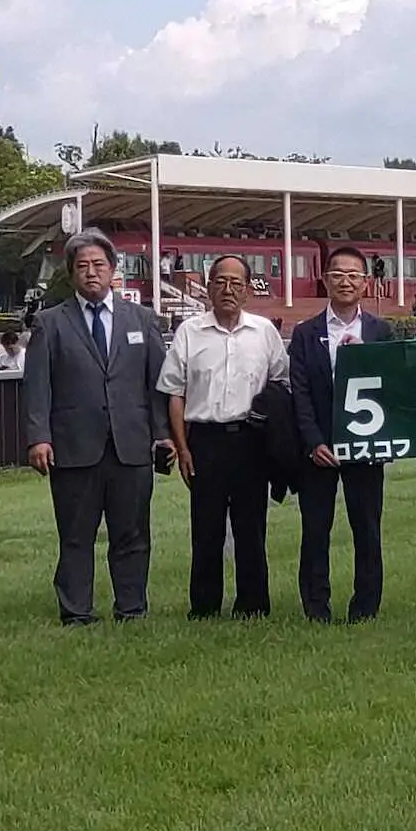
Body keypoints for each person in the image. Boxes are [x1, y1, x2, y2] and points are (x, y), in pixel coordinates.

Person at [21, 228, 171, 626]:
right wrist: (39, 437)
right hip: (74, 445)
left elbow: (158, 383)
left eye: (99, 265)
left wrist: (162, 433)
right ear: (71, 273)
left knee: (133, 534)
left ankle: (132, 608)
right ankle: (76, 611)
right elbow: (37, 385)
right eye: (82, 266)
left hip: (132, 445)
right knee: (75, 535)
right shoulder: (49, 323)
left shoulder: (141, 319)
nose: (91, 273)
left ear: (113, 270)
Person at [156, 254, 290, 620]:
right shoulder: (189, 332)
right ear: (208, 287)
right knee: (206, 527)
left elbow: (280, 384)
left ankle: (253, 605)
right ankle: (204, 606)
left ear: (248, 290)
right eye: (220, 282)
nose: (228, 289)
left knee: (251, 527)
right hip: (205, 441)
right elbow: (175, 393)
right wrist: (182, 448)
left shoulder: (264, 332)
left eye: (236, 283)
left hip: (251, 440)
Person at [289, 246, 394, 623]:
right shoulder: (305, 333)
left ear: (365, 283)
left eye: (354, 275)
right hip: (319, 448)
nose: (345, 281)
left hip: (366, 446)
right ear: (325, 280)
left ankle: (365, 607)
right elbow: (298, 392)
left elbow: (392, 388)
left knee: (367, 528)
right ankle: (316, 607)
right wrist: (313, 441)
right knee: (315, 530)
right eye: (338, 274)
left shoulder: (381, 331)